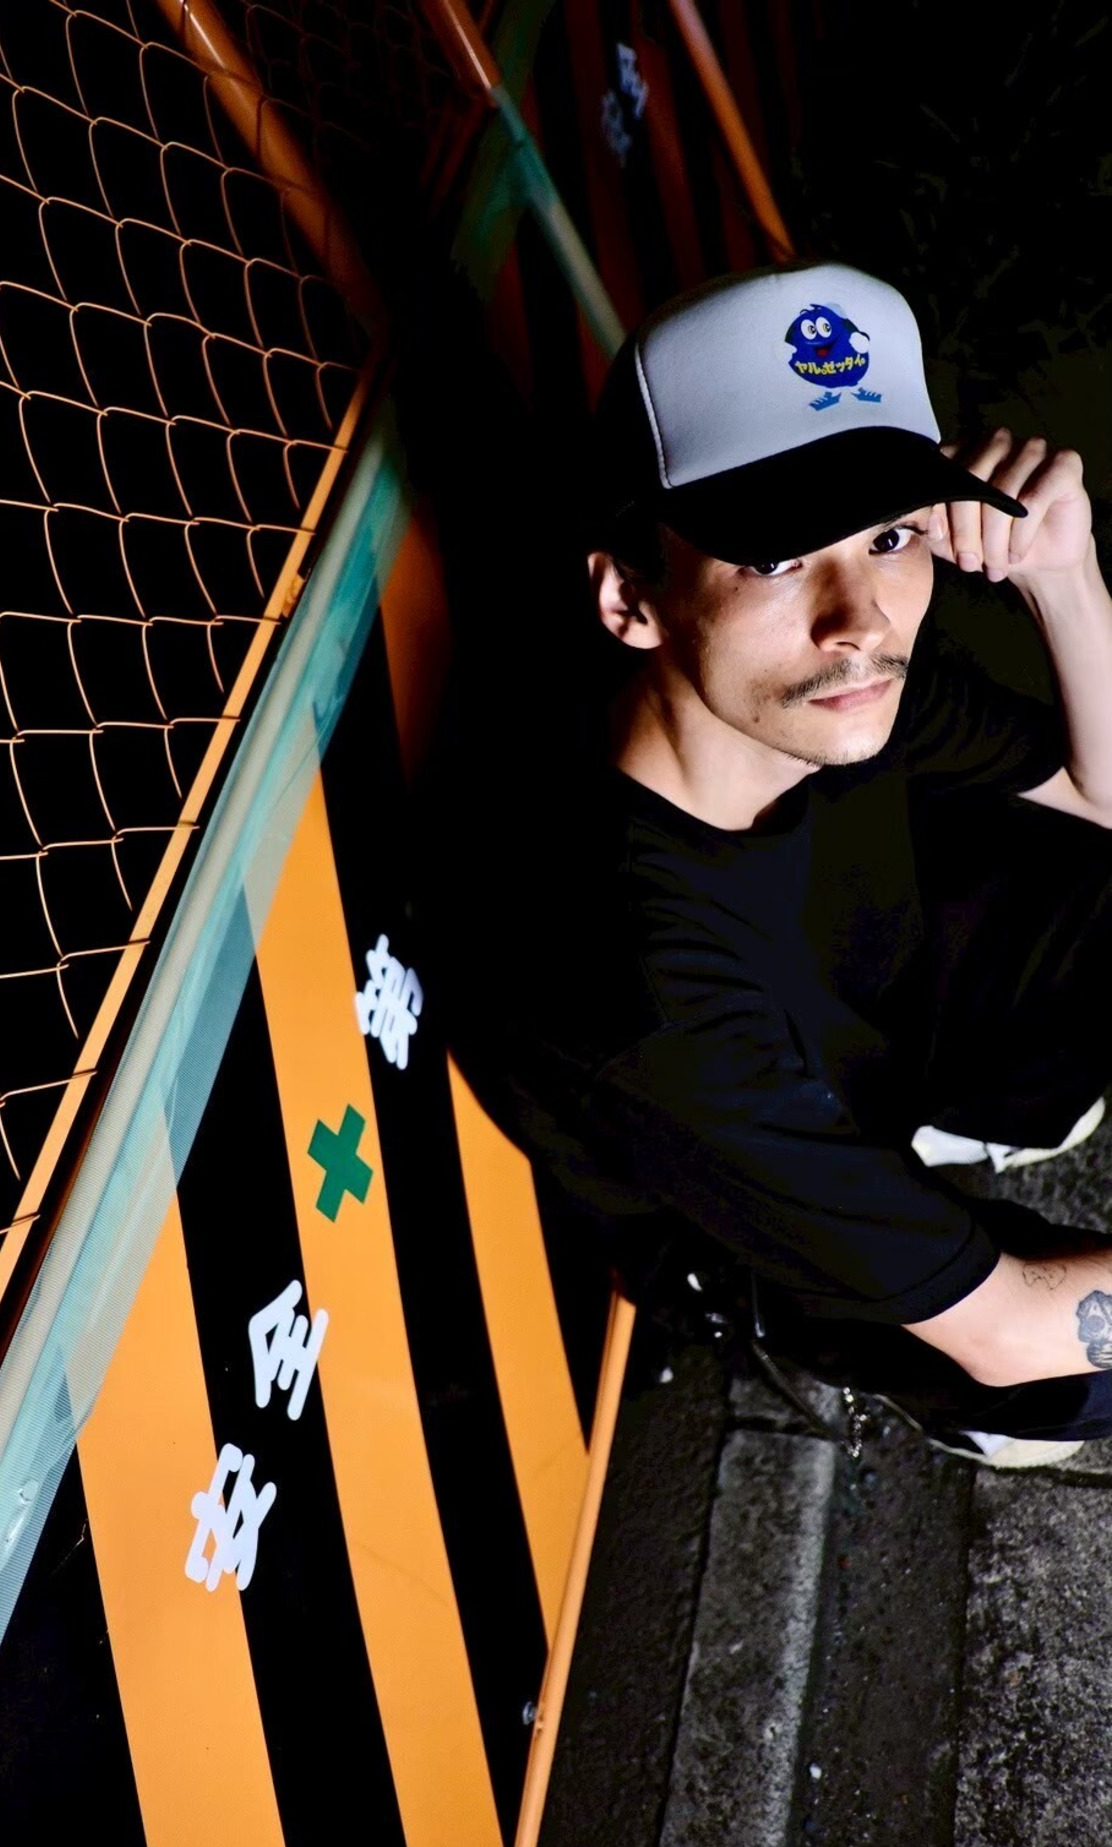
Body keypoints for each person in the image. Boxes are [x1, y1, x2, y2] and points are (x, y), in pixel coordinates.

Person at [433, 259, 1112, 1466]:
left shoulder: (818, 682)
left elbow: (1097, 791)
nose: (860, 616)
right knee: (1064, 1383)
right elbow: (1007, 1328)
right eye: (775, 558)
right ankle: (890, 1291)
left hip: (867, 1022)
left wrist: (1063, 578)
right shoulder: (625, 982)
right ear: (628, 599)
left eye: (889, 534)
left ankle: (958, 1121)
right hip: (733, 1201)